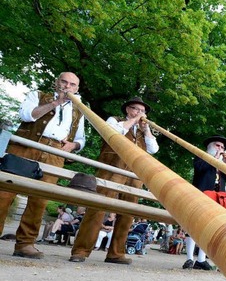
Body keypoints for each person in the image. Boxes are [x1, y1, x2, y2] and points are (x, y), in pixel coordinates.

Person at [0, 72, 86, 259]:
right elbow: (26, 115)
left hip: (55, 154)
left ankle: (25, 244)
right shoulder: (38, 95)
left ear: (77, 89)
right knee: (4, 193)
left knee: (40, 200)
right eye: (64, 82)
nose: (67, 86)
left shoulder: (79, 110)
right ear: (57, 83)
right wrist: (55, 103)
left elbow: (80, 140)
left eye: (72, 84)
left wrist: (74, 145)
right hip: (25, 147)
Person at [69, 97, 159, 264]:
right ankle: (81, 250)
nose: (139, 113)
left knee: (127, 213)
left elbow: (153, 149)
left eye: (142, 111)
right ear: (127, 110)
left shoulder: (143, 131)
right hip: (112, 169)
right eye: (135, 109)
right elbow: (113, 132)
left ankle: (116, 253)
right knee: (98, 209)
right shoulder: (114, 120)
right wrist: (133, 121)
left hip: (134, 174)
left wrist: (146, 131)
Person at [182, 135, 226, 270]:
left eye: (223, 147)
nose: (221, 149)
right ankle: (189, 258)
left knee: (209, 227)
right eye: (218, 146)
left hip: (218, 197)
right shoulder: (202, 156)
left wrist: (225, 163)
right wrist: (215, 159)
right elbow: (200, 168)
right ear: (210, 146)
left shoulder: (222, 163)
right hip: (201, 194)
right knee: (194, 224)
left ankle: (201, 259)